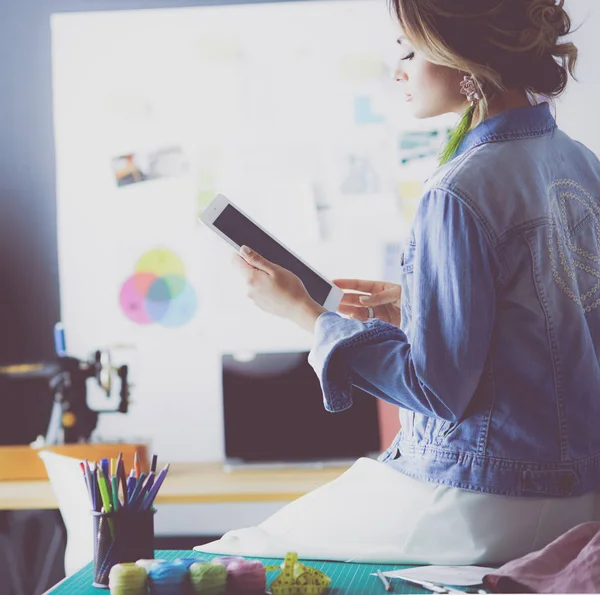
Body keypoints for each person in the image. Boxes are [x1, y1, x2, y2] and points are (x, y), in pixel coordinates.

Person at [197, 0, 600, 565]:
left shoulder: (458, 191)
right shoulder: (581, 163)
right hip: (581, 496)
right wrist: (419, 305)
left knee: (234, 555)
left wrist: (305, 314)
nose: (398, 71)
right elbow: (561, 321)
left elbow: (436, 390)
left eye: (409, 51)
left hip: (487, 496)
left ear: (467, 59)